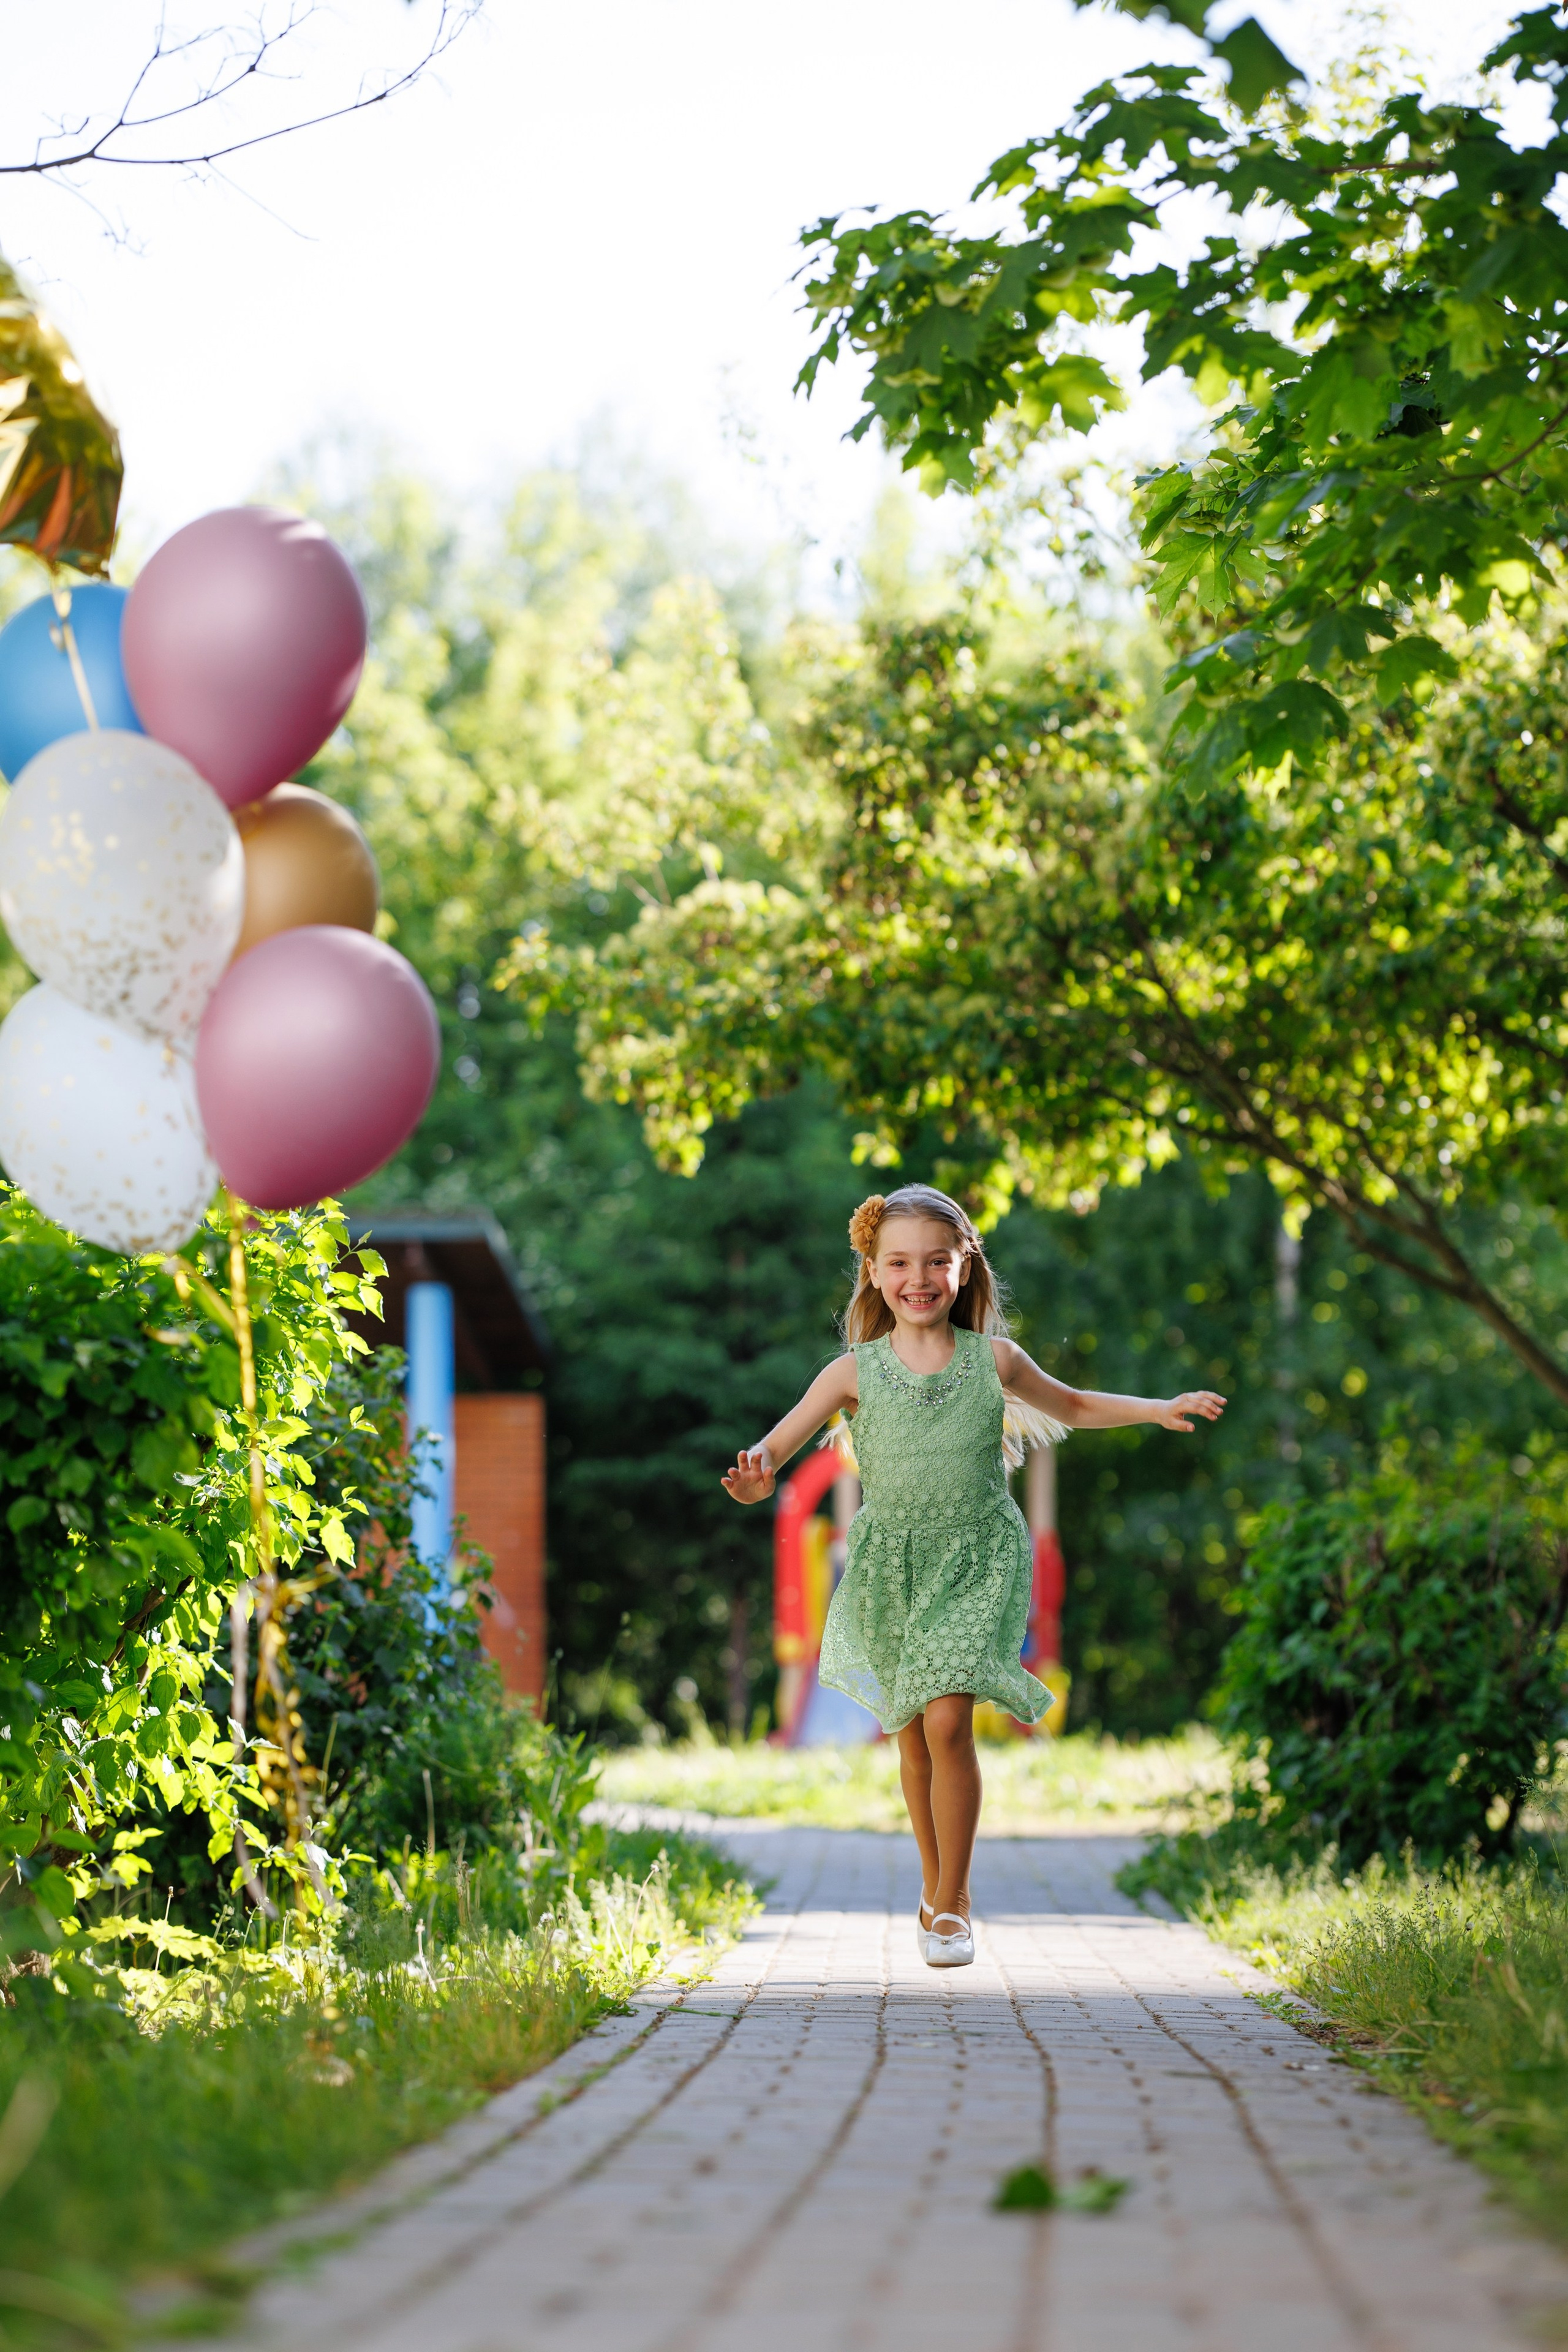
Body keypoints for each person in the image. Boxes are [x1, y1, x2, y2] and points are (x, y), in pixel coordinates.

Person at [722, 1183, 1225, 1969]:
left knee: (948, 1721)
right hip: (892, 1564)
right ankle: (932, 1887)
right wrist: (754, 1479)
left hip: (977, 1556)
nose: (917, 1278)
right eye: (898, 1263)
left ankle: (952, 1903)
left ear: (965, 1269)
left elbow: (1077, 1403)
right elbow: (774, 1450)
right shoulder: (850, 1372)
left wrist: (1158, 1406)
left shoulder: (994, 1360)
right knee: (914, 1739)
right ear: (873, 1271)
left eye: (936, 1261)